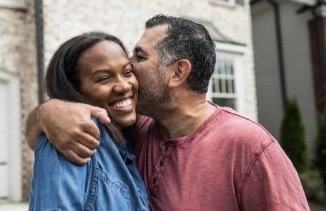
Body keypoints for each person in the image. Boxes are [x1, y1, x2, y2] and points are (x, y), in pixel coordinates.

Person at [25, 15, 310, 211]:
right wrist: (45, 113)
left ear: (178, 72)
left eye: (138, 58)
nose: (129, 72)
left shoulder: (249, 145)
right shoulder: (135, 131)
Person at [28, 32, 150, 211]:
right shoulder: (71, 137)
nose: (124, 86)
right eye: (104, 78)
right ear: (75, 90)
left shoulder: (129, 137)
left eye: (127, 72)